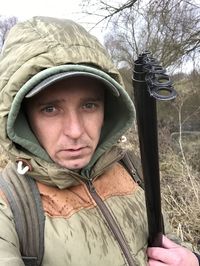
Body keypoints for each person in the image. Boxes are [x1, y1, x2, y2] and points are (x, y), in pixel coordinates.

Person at [0, 16, 199, 266]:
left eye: (89, 105)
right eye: (50, 109)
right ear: (22, 116)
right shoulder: (9, 206)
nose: (75, 131)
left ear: (108, 108)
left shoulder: (131, 169)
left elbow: (167, 243)